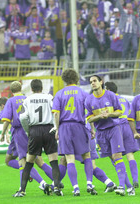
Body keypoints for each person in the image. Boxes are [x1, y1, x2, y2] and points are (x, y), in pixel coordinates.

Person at [0, 81, 50, 194]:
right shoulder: (28, 98)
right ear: (21, 88)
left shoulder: (11, 101)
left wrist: (3, 134)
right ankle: (57, 182)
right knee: (37, 160)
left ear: (11, 91)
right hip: (33, 129)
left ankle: (41, 184)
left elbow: (6, 119)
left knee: (23, 161)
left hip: (19, 131)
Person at [52, 68, 96, 196]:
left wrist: (57, 129)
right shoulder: (83, 93)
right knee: (86, 156)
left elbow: (56, 114)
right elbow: (89, 114)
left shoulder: (59, 94)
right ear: (76, 78)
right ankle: (89, 184)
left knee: (69, 158)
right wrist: (92, 129)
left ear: (64, 80)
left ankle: (75, 188)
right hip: (79, 126)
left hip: (65, 127)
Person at [84, 75, 131, 196]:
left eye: (95, 81)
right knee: (113, 159)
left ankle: (121, 187)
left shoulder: (110, 95)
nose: (93, 83)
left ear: (101, 82)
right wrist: (100, 116)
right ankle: (129, 186)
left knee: (117, 156)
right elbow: (89, 118)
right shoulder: (89, 100)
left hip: (114, 128)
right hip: (101, 132)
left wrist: (109, 114)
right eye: (91, 82)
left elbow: (120, 111)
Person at [16, 79, 62, 197]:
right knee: (54, 161)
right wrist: (55, 127)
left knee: (29, 161)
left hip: (34, 130)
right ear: (42, 88)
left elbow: (23, 117)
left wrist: (28, 131)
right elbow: (55, 113)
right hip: (48, 129)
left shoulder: (27, 100)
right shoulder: (49, 97)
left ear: (31, 89)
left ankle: (22, 190)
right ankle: (57, 187)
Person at [104, 82, 140, 190]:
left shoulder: (109, 100)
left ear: (109, 90)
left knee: (116, 157)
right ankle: (135, 179)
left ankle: (126, 183)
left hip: (116, 127)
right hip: (127, 126)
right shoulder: (124, 99)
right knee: (130, 154)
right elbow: (130, 114)